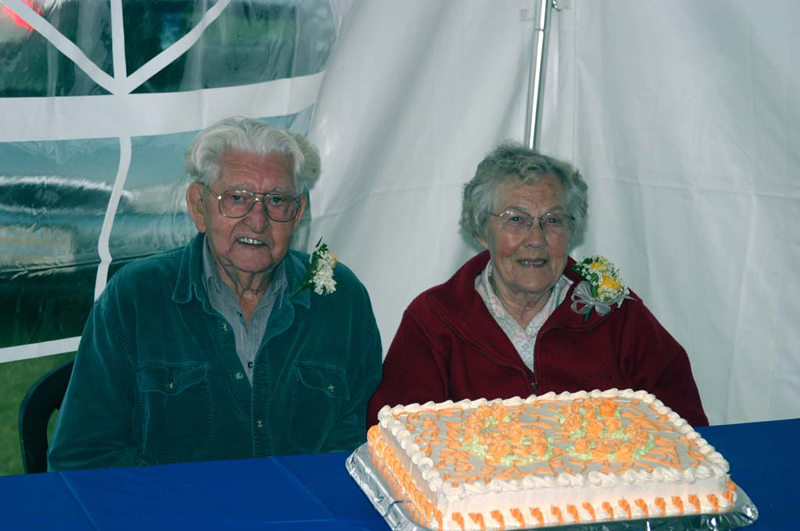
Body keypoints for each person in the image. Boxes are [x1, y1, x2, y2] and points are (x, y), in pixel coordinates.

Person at [48, 117, 382, 471]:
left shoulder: (339, 297)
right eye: (237, 198)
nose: (258, 220)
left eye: (277, 201)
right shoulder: (135, 297)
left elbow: (362, 445)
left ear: (297, 213)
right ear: (198, 206)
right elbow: (83, 458)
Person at [368, 143, 708, 427]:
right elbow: (397, 440)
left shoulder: (618, 315)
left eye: (553, 221)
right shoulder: (433, 322)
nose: (536, 239)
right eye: (516, 219)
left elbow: (684, 428)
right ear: (480, 230)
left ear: (572, 231)